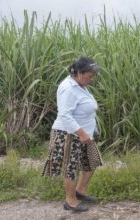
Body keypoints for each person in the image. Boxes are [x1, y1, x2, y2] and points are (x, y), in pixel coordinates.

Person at [42, 57, 103, 212]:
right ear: (79, 73)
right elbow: (65, 115)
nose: (92, 79)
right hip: (68, 133)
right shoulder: (68, 88)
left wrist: (90, 131)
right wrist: (82, 133)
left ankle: (80, 191)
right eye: (89, 76)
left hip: (84, 134)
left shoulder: (80, 85)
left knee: (92, 161)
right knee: (71, 167)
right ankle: (70, 201)